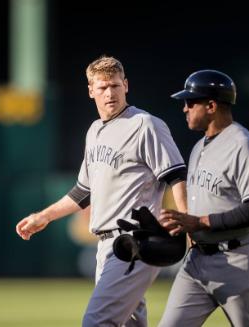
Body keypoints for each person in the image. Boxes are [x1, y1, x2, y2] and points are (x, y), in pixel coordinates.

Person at [16, 55, 187, 327]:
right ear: (91, 91)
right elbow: (83, 192)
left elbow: (176, 175)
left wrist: (185, 222)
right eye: (103, 87)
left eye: (116, 86)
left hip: (134, 242)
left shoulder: (145, 125)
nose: (110, 93)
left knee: (96, 322)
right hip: (105, 246)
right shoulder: (94, 131)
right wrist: (44, 216)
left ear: (126, 85)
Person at [158, 70, 249, 327]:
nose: (185, 108)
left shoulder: (244, 145)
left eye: (191, 102)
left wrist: (199, 222)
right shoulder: (199, 146)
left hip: (241, 258)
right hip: (198, 261)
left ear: (211, 105)